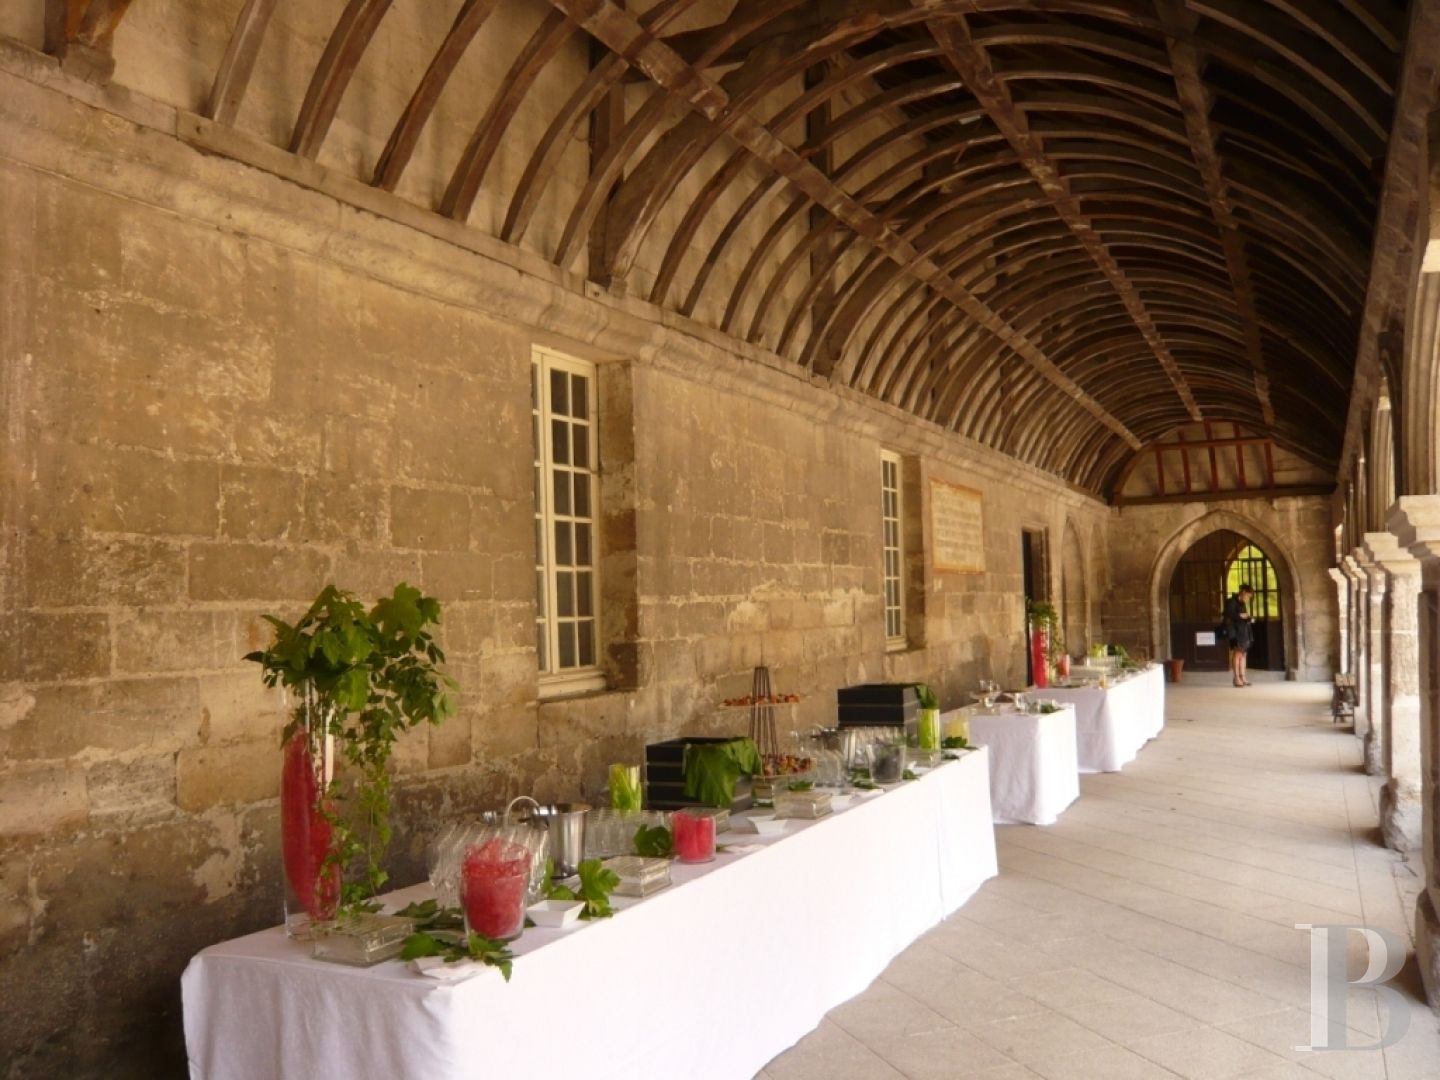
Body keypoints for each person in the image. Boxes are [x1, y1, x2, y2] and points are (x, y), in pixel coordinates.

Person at [1223, 584, 1255, 687]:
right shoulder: (1231, 602)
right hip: (1235, 632)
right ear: (1243, 592)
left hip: (1244, 631)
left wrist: (1248, 618)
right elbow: (1228, 616)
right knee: (1237, 654)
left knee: (1243, 654)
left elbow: (1244, 616)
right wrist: (1241, 615)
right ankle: (1236, 678)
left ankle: (1243, 677)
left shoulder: (1242, 603)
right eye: (1248, 596)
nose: (1248, 598)